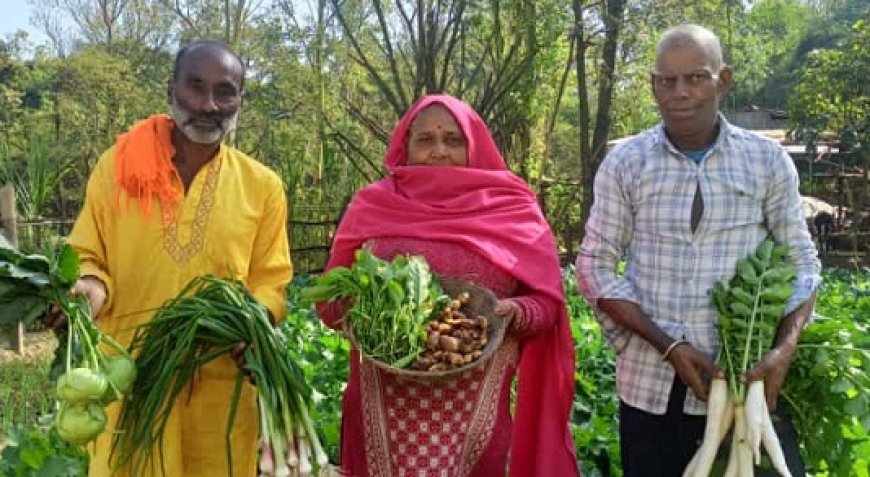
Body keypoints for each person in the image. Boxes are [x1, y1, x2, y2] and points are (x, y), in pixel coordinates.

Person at [576, 24, 820, 476]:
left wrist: (785, 348)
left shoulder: (766, 161)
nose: (681, 92)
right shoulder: (626, 162)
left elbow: (802, 264)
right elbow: (594, 266)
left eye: (696, 78)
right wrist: (668, 345)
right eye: (667, 81)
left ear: (722, 80)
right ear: (653, 86)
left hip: (749, 389)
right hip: (650, 387)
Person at [57, 40, 293, 476]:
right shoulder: (118, 168)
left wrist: (254, 322)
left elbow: (271, 280)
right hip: (129, 378)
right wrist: (88, 288)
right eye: (195, 86)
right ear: (171, 90)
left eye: (225, 91)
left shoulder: (262, 186)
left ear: (240, 101)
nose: (208, 105)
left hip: (218, 387)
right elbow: (88, 253)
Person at [316, 94, 578, 476]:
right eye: (425, 140)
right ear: (405, 147)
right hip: (381, 411)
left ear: (474, 146)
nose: (439, 151)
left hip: (475, 417)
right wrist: (362, 306)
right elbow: (328, 303)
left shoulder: (513, 208)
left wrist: (515, 313)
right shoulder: (373, 205)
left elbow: (547, 306)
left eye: (453, 140)